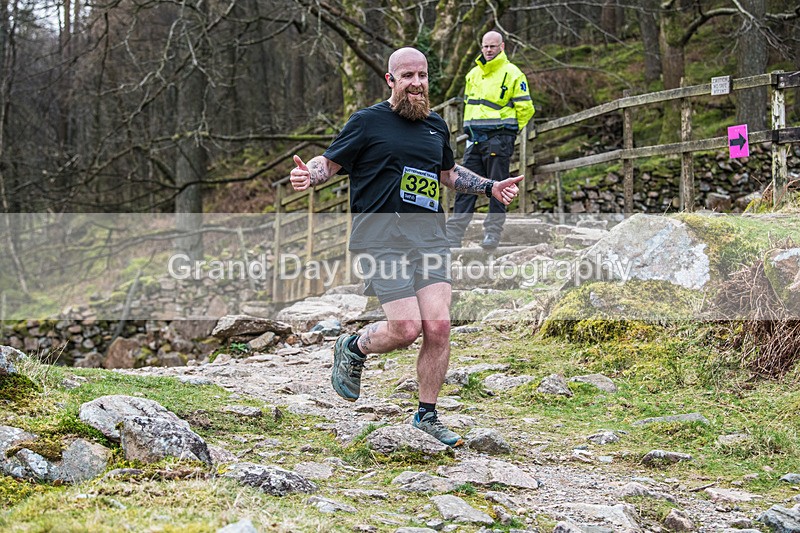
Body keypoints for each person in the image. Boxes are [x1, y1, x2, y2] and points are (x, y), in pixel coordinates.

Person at [289, 47, 523, 447]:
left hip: (429, 238)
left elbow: (448, 174)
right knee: (405, 328)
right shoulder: (366, 122)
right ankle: (354, 346)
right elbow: (327, 164)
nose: (417, 83)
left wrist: (489, 186)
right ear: (391, 80)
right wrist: (308, 175)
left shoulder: (436, 125)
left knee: (438, 326)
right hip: (382, 239)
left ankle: (426, 415)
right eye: (408, 76)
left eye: (423, 75)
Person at [445, 31, 534, 250]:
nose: (488, 50)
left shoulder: (513, 73)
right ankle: (453, 237)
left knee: (498, 186)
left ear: (502, 47)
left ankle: (492, 234)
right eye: (485, 46)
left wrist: (509, 133)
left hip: (498, 139)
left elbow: (526, 108)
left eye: (492, 47)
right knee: (464, 186)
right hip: (474, 140)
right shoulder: (473, 74)